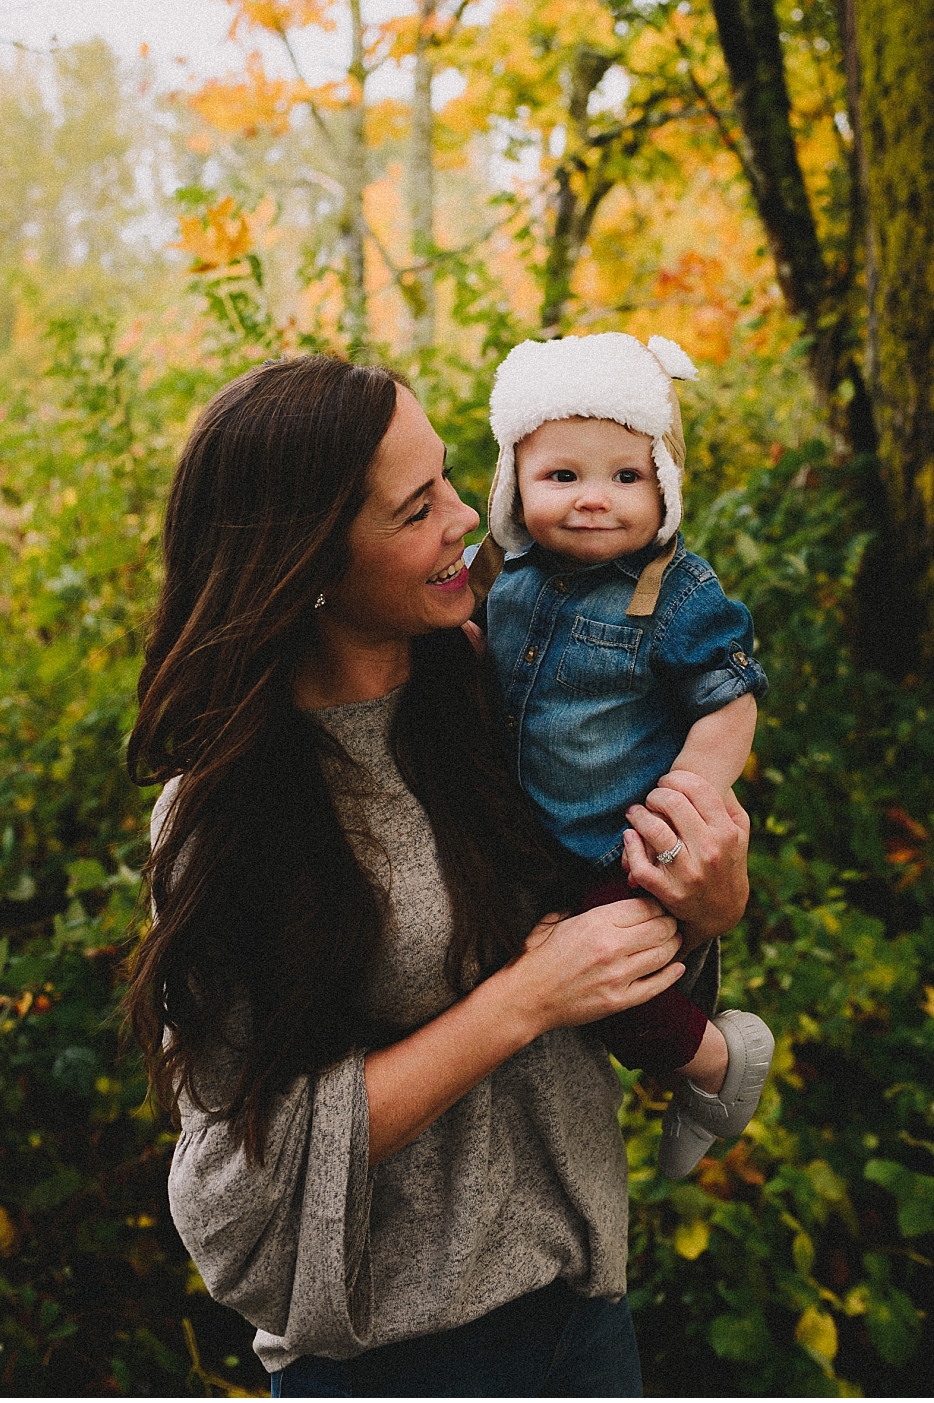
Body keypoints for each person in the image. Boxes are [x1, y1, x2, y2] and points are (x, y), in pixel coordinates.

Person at [122, 356, 755, 1394]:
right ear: (308, 561)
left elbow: (606, 931)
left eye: (454, 476)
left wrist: (707, 909)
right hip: (391, 1367)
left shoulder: (506, 698)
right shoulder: (229, 814)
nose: (469, 513)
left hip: (589, 1329)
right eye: (418, 508)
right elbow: (235, 1172)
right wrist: (521, 1001)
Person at [474, 330, 774, 1179]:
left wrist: (687, 800)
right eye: (561, 477)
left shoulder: (676, 596)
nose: (593, 499)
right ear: (514, 484)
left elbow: (730, 702)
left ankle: (718, 1067)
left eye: (625, 476)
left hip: (624, 845)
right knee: (521, 961)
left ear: (666, 485)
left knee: (619, 996)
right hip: (528, 838)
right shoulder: (506, 576)